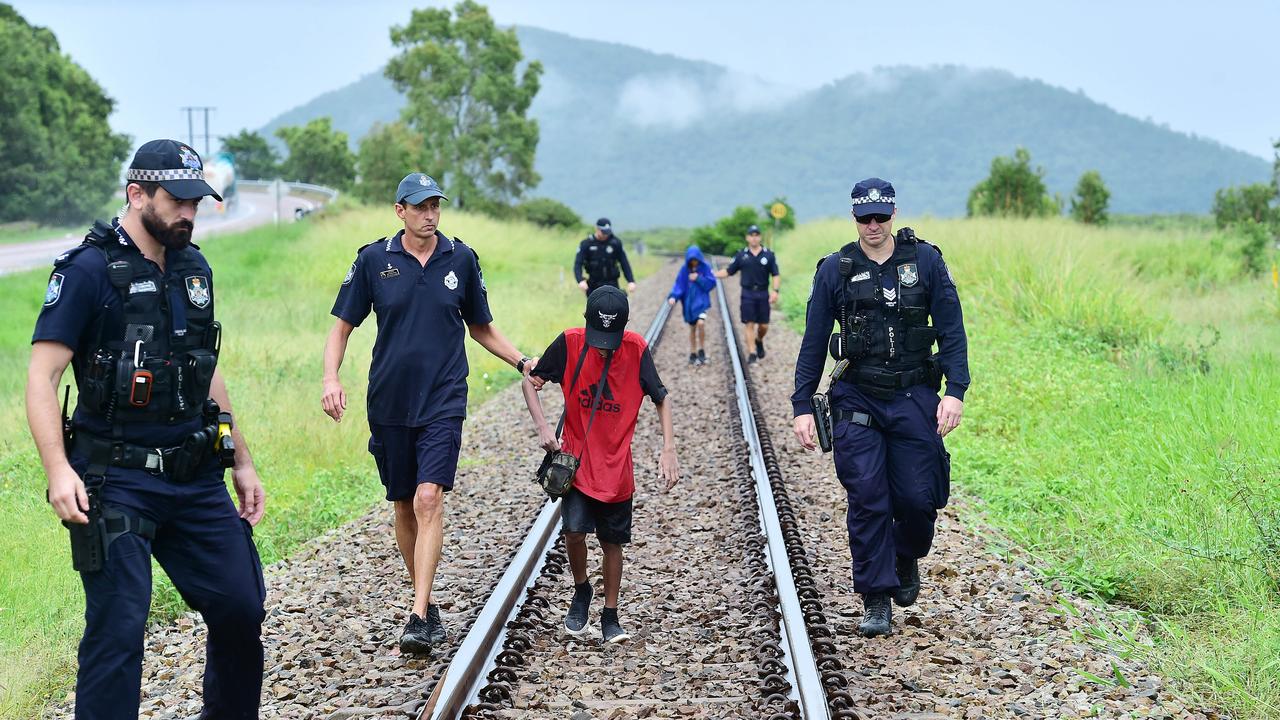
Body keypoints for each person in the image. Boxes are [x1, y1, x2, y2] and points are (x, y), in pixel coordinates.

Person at [26, 139, 267, 718]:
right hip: (115, 481)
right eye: (177, 200)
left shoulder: (193, 266)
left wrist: (240, 457)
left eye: (197, 200)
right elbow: (42, 377)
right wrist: (59, 470)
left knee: (241, 607)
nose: (190, 212)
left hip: (193, 474)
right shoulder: (86, 271)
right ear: (137, 194)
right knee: (120, 628)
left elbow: (204, 369)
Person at [321, 173, 539, 655]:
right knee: (402, 502)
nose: (430, 214)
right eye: (420, 207)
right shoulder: (373, 260)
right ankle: (427, 598)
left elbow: (481, 327)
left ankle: (418, 614)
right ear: (400, 210)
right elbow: (341, 328)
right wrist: (331, 378)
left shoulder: (460, 258)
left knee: (427, 499)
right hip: (389, 402)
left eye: (435, 206)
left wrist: (522, 361)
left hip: (443, 399)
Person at [791, 178, 969, 638]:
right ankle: (875, 596)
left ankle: (906, 553)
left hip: (913, 395)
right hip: (857, 395)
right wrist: (802, 405)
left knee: (916, 497)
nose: (873, 225)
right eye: (864, 218)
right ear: (853, 218)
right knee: (868, 498)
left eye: (881, 217)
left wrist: (955, 391)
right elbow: (813, 341)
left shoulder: (925, 261)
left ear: (893, 213)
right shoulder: (836, 269)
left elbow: (951, 328)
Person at [523, 287, 679, 643]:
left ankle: (611, 614)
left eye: (611, 339)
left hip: (616, 467)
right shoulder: (570, 343)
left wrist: (668, 448)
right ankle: (582, 592)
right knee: (573, 532)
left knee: (612, 542)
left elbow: (662, 398)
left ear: (623, 328)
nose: (604, 346)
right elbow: (531, 380)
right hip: (576, 465)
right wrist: (544, 427)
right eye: (599, 338)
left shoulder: (637, 349)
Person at [715, 224, 780, 364]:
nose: (754, 238)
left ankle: (759, 340)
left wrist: (775, 291)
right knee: (749, 323)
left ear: (760, 237)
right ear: (747, 237)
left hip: (763, 293)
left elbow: (775, 274)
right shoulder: (741, 255)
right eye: (751, 235)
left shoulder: (769, 255)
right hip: (747, 294)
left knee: (764, 325)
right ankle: (751, 352)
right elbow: (729, 271)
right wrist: (713, 275)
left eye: (757, 235)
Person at [667, 245, 717, 365]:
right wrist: (673, 296)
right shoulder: (684, 270)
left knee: (701, 323)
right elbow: (679, 285)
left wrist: (698, 278)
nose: (694, 262)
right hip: (689, 305)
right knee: (692, 328)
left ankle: (702, 349)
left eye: (696, 260)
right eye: (691, 260)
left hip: (702, 304)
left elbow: (711, 283)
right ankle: (693, 352)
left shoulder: (705, 268)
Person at [574, 218, 637, 295]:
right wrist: (580, 280)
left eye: (607, 232)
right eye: (603, 232)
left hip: (612, 283)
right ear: (597, 229)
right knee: (596, 306)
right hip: (594, 284)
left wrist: (631, 281)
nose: (605, 235)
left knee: (615, 305)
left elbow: (624, 263)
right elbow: (578, 264)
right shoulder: (587, 244)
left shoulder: (615, 243)